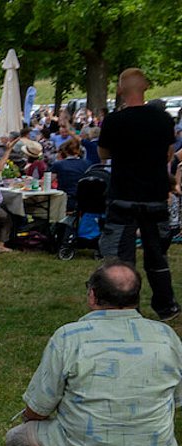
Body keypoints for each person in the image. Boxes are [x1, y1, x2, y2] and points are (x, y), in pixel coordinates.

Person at [0, 261, 182, 446]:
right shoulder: (166, 336)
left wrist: (30, 416)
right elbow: (176, 398)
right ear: (136, 297)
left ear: (92, 296)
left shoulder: (70, 337)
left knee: (16, 438)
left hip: (82, 445)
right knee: (129, 422)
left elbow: (40, 405)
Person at [98, 69, 180, 320]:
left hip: (123, 194)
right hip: (154, 195)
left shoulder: (114, 121)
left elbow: (103, 155)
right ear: (145, 87)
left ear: (121, 90)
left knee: (122, 257)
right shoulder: (163, 119)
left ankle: (125, 304)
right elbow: (168, 154)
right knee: (157, 254)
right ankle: (165, 306)